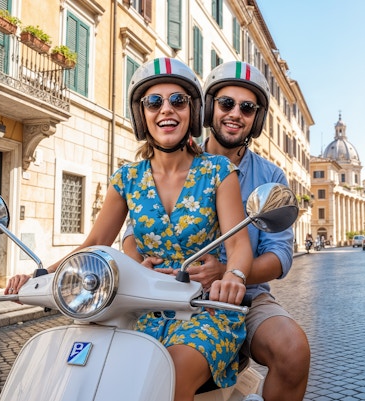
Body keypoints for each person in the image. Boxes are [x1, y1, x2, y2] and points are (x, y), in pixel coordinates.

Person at [5, 57, 253, 401]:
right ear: (142, 114)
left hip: (202, 308)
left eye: (177, 101)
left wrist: (234, 277)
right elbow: (94, 243)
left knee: (167, 377)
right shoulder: (126, 179)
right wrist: (39, 275)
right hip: (140, 307)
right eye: (154, 102)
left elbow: (239, 242)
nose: (166, 109)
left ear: (192, 112)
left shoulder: (218, 171)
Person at [124, 61, 310, 401]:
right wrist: (140, 267)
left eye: (247, 107)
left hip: (245, 296)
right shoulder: (171, 155)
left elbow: (280, 257)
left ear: (258, 118)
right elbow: (132, 229)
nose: (235, 114)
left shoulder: (272, 176)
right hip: (167, 292)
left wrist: (229, 273)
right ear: (208, 109)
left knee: (293, 350)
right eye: (226, 104)